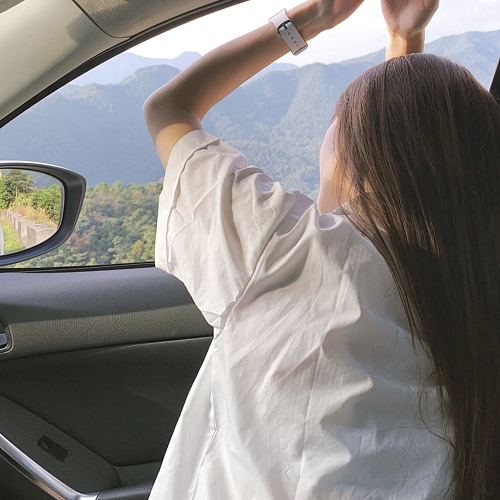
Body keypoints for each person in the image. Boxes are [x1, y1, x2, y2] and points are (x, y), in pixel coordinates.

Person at [144, 0, 500, 497]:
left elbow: (168, 109)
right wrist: (403, 42)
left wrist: (314, 16)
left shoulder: (281, 246)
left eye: (335, 122)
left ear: (359, 151)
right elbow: (409, 200)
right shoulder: (477, 289)